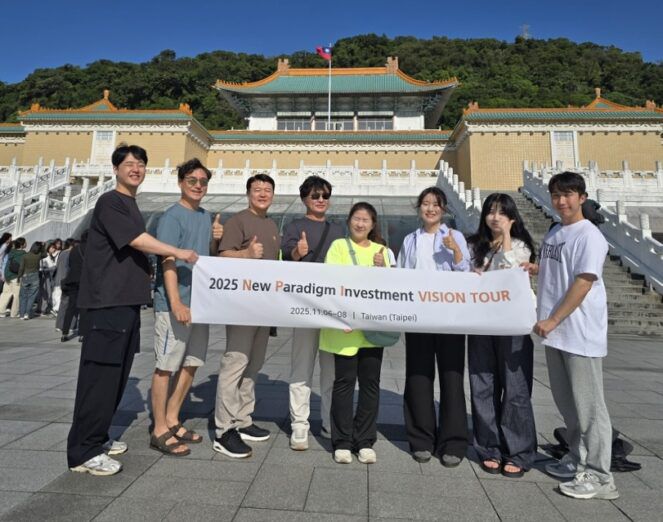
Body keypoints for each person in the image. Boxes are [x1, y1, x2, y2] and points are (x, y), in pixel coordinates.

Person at [67, 144, 198, 477]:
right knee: (99, 379)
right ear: (115, 169)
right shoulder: (110, 202)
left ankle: (98, 437)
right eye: (128, 163)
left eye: (140, 164)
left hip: (124, 304)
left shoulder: (130, 204)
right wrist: (177, 251)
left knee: (115, 377)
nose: (135, 168)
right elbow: (138, 241)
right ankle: (84, 451)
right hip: (106, 304)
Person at [523, 171, 618, 500]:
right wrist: (536, 269)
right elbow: (559, 270)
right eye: (556, 195)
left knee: (590, 408)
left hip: (579, 332)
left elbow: (583, 281)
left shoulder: (589, 235)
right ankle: (577, 459)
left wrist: (553, 319)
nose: (561, 201)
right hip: (557, 334)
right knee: (569, 405)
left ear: (582, 197)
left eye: (568, 195)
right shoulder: (556, 233)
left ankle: (601, 476)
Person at [149, 158, 223, 456]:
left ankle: (172, 418)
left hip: (200, 303)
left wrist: (216, 240)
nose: (198, 186)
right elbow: (167, 260)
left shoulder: (205, 217)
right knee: (166, 366)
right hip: (175, 303)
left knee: (192, 363)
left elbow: (206, 257)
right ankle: (159, 429)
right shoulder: (171, 217)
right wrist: (176, 302)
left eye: (203, 182)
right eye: (192, 180)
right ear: (181, 182)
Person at [397, 186, 470, 466]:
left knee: (452, 378)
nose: (430, 208)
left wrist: (455, 252)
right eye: (425, 203)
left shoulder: (455, 236)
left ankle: (453, 442)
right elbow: (402, 275)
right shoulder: (410, 240)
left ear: (444, 209)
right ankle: (421, 439)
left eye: (435, 204)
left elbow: (466, 274)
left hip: (449, 317)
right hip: (418, 316)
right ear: (419, 208)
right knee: (418, 376)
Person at [466, 193, 537, 478]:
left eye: (502, 213)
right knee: (482, 385)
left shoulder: (520, 246)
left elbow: (511, 273)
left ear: (512, 217)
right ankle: (489, 448)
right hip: (482, 323)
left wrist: (506, 235)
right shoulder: (476, 245)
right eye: (491, 211)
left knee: (515, 388)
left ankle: (518, 451)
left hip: (512, 326)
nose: (495, 218)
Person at [213, 174, 280, 459]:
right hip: (241, 306)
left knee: (253, 365)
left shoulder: (271, 224)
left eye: (267, 190)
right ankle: (224, 429)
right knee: (235, 364)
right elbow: (222, 256)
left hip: (263, 306)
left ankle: (243, 419)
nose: (263, 194)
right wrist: (247, 254)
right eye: (257, 189)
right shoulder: (238, 221)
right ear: (248, 193)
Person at [320, 202, 388, 464]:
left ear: (373, 224)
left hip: (371, 329)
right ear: (349, 221)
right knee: (344, 383)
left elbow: (391, 290)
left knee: (370, 384)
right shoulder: (338, 246)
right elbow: (332, 282)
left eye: (365, 220)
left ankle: (365, 440)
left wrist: (383, 269)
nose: (360, 224)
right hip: (345, 328)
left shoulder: (383, 251)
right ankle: (342, 441)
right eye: (356, 218)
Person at [281, 176, 344, 450]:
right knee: (302, 367)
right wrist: (298, 251)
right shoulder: (295, 226)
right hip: (305, 306)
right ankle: (299, 424)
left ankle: (329, 421)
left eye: (325, 196)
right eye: (315, 195)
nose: (321, 200)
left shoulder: (338, 229)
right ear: (304, 198)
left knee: (331, 371)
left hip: (331, 308)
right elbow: (285, 256)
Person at [60, 235, 85, 342]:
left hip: (72, 280)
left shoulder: (74, 249)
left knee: (70, 307)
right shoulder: (90, 248)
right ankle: (82, 334)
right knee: (84, 307)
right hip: (84, 281)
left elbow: (70, 264)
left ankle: (64, 333)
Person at [18, 241, 45, 319]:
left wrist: (19, 276)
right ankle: (27, 313)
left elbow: (21, 268)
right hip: (35, 276)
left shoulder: (25, 256)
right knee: (31, 296)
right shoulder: (38, 255)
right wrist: (43, 246)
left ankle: (22, 314)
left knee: (23, 296)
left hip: (25, 275)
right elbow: (45, 254)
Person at [0, 237, 26, 317]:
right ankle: (14, 313)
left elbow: (6, 264)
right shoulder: (23, 254)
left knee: (5, 294)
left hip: (8, 276)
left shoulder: (11, 253)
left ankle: (1, 311)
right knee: (16, 295)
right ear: (22, 245)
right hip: (16, 277)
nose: (26, 244)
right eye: (25, 242)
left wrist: (4, 275)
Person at [55, 238, 76, 332]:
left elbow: (57, 266)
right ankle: (71, 325)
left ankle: (59, 325)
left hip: (61, 280)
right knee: (72, 304)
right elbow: (69, 268)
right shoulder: (71, 253)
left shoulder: (62, 253)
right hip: (69, 280)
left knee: (63, 303)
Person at [39, 241, 59, 315]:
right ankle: (42, 309)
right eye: (52, 248)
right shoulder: (44, 257)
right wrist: (52, 268)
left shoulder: (52, 257)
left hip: (50, 277)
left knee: (48, 293)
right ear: (48, 248)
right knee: (46, 293)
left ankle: (44, 308)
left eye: (54, 248)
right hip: (45, 277)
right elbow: (42, 269)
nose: (53, 249)